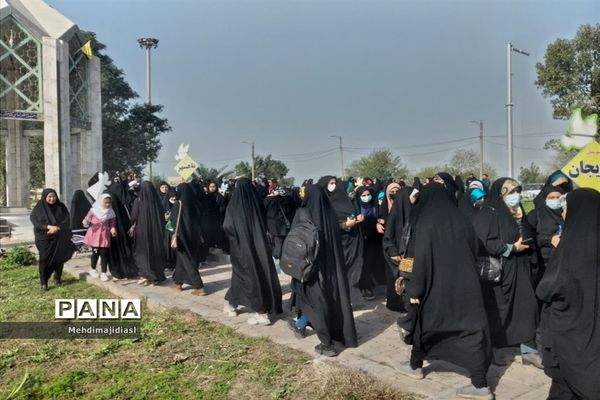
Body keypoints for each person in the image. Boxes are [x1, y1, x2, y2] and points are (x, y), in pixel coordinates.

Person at [395, 183, 493, 400]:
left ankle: (415, 366)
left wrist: (414, 289)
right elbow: (475, 252)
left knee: (425, 325)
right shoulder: (463, 220)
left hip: (435, 288)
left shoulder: (426, 223)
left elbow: (419, 260)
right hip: (466, 287)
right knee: (471, 331)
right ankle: (480, 384)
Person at [537, 188, 600, 400]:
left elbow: (549, 288)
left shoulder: (571, 246)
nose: (563, 212)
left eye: (565, 207)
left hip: (571, 336)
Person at [473, 178, 540, 367]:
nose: (516, 196)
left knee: (527, 307)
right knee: (497, 311)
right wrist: (511, 248)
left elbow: (528, 236)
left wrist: (521, 224)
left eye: (518, 191)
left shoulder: (518, 211)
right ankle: (491, 349)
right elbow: (484, 240)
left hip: (521, 268)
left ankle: (529, 349)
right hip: (499, 271)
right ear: (500, 194)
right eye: (511, 192)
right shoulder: (488, 213)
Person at [288, 184, 358, 356]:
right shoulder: (330, 214)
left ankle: (326, 344)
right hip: (331, 268)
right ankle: (302, 324)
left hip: (309, 267)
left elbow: (294, 240)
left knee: (313, 303)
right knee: (328, 301)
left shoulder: (302, 213)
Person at [223, 178, 283, 325]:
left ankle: (261, 313)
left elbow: (228, 226)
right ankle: (232, 303)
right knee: (250, 275)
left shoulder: (235, 204)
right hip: (260, 245)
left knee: (248, 276)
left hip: (241, 248)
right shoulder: (257, 202)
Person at [318, 176, 364, 293]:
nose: (333, 185)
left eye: (335, 182)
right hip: (334, 241)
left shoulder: (345, 198)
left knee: (353, 268)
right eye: (330, 183)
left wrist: (358, 217)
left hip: (352, 240)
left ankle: (352, 295)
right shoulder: (323, 203)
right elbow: (324, 223)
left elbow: (354, 211)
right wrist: (344, 225)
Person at [30, 189, 77, 290]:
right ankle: (44, 282)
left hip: (60, 236)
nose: (52, 199)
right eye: (49, 197)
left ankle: (57, 278)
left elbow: (67, 219)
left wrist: (57, 228)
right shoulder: (38, 208)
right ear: (44, 197)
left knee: (59, 258)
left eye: (54, 196)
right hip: (44, 238)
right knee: (44, 259)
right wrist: (48, 227)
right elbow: (36, 223)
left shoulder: (61, 206)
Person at [169, 183, 207, 296]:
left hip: (182, 237)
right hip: (195, 236)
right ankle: (178, 283)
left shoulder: (178, 204)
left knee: (187, 260)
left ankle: (199, 287)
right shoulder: (196, 203)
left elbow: (173, 222)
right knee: (182, 260)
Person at [382, 186, 415, 312]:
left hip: (409, 253)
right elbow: (388, 236)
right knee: (397, 279)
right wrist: (393, 251)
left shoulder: (414, 212)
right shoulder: (394, 215)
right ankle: (396, 303)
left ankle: (407, 303)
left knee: (408, 278)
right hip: (397, 254)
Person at [130, 181, 167, 286]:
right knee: (156, 253)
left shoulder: (138, 201)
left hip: (142, 233)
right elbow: (162, 218)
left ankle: (146, 276)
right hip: (156, 234)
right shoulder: (157, 202)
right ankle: (157, 277)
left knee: (143, 253)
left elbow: (133, 217)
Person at [527, 186, 565, 287]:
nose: (556, 200)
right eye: (551, 198)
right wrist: (549, 239)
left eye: (558, 197)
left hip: (564, 262)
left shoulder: (568, 213)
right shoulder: (535, 214)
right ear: (544, 199)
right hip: (543, 263)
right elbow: (528, 238)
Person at [355, 186, 386, 300]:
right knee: (365, 264)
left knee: (377, 261)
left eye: (368, 195)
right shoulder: (356, 208)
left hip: (377, 239)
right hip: (364, 240)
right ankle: (366, 287)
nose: (366, 197)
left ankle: (378, 284)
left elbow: (379, 216)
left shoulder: (375, 206)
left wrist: (379, 220)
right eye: (363, 196)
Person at [83, 193, 117, 282]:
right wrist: (86, 221)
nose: (107, 205)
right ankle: (93, 269)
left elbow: (112, 224)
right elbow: (87, 218)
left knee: (104, 255)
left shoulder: (111, 212)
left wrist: (113, 230)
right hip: (95, 236)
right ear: (100, 202)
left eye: (109, 203)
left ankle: (103, 273)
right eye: (105, 203)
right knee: (95, 253)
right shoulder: (94, 210)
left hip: (104, 236)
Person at [264, 186, 296, 260]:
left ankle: (272, 255)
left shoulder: (268, 200)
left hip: (270, 224)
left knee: (271, 241)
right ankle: (277, 257)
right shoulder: (287, 200)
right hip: (281, 225)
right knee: (279, 241)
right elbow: (289, 212)